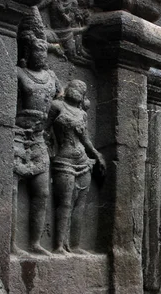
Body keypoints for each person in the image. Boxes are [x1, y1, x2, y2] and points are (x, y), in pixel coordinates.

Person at [13, 6, 61, 256]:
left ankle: (34, 243)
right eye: (37, 50)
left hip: (41, 137)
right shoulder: (19, 73)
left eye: (44, 50)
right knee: (12, 188)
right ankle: (11, 244)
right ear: (28, 52)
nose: (42, 54)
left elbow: (61, 102)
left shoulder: (52, 76)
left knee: (42, 191)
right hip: (18, 135)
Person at [48, 79, 105, 254]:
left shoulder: (82, 114)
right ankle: (58, 246)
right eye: (74, 86)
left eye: (81, 89)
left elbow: (85, 139)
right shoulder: (56, 106)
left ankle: (74, 245)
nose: (77, 90)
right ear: (68, 89)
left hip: (82, 161)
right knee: (65, 203)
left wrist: (97, 154)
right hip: (64, 160)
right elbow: (44, 129)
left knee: (80, 204)